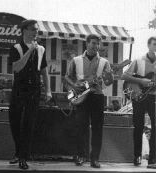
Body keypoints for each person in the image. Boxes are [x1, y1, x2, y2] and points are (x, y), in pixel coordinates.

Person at [8, 19, 52, 170]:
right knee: (14, 120)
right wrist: (29, 51)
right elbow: (16, 68)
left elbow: (44, 72)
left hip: (34, 89)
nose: (36, 32)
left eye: (37, 30)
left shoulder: (41, 49)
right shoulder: (16, 47)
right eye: (33, 29)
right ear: (24, 30)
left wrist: (48, 90)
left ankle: (23, 157)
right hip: (19, 88)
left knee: (28, 123)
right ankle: (18, 151)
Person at [64, 34, 113, 168]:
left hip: (97, 96)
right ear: (87, 44)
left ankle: (95, 159)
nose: (96, 46)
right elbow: (67, 77)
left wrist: (109, 77)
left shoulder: (105, 62)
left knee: (98, 129)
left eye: (97, 44)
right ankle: (80, 156)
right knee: (81, 127)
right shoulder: (76, 60)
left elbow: (108, 82)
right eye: (93, 43)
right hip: (81, 97)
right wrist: (74, 86)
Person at [122, 36, 156, 166]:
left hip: (153, 97)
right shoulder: (138, 61)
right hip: (139, 96)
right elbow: (124, 75)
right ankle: (137, 156)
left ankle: (152, 157)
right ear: (149, 45)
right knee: (138, 127)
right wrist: (140, 81)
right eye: (155, 44)